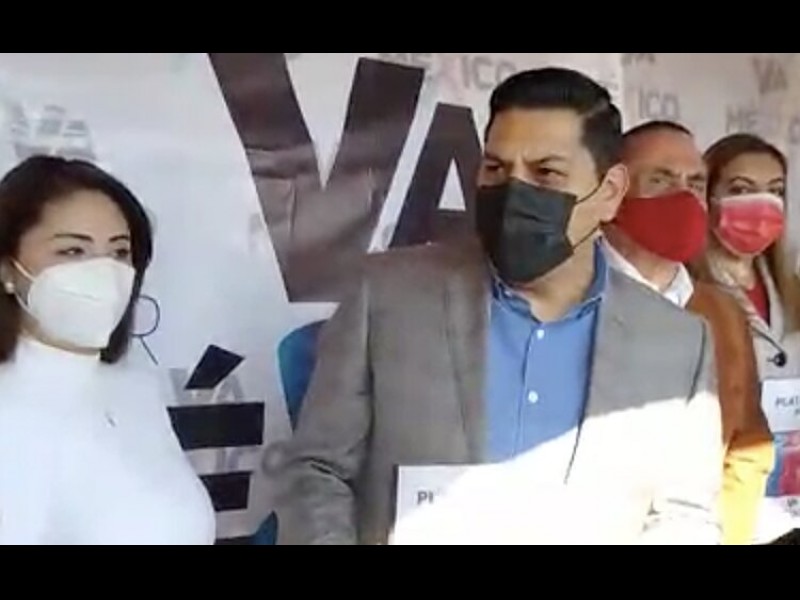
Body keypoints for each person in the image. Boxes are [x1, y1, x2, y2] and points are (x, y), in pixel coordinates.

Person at [274, 68, 724, 545]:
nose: (514, 192)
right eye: (496, 168)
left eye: (546, 173)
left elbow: (684, 514)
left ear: (610, 192)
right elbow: (316, 470)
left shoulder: (678, 343)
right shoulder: (387, 297)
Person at [0, 155, 215, 545]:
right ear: (7, 269)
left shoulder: (137, 389)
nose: (104, 271)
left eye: (119, 252)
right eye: (72, 251)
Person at [602, 120, 774, 545]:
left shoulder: (723, 313)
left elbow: (747, 449)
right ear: (612, 191)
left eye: (695, 183)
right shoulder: (568, 297)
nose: (682, 197)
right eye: (660, 180)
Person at [693, 133, 800, 544]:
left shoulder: (792, 292)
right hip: (726, 503)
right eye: (741, 189)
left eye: (775, 191)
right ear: (708, 198)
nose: (762, 205)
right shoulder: (688, 294)